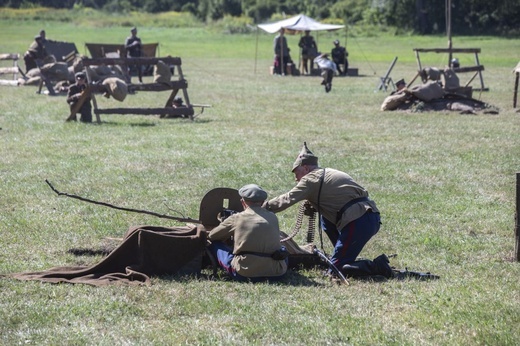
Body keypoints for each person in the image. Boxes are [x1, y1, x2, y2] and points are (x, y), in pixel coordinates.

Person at [264, 142, 391, 278]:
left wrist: (261, 208)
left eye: (296, 172)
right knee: (325, 221)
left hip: (358, 221)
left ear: (305, 168)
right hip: (368, 216)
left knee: (336, 271)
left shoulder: (310, 180)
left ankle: (377, 266)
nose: (296, 178)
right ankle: (342, 255)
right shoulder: (329, 172)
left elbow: (287, 199)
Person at [207, 184, 288, 282]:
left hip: (244, 273)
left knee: (214, 244)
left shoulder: (236, 218)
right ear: (263, 202)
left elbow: (212, 236)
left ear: (242, 202)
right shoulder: (273, 217)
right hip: (276, 273)